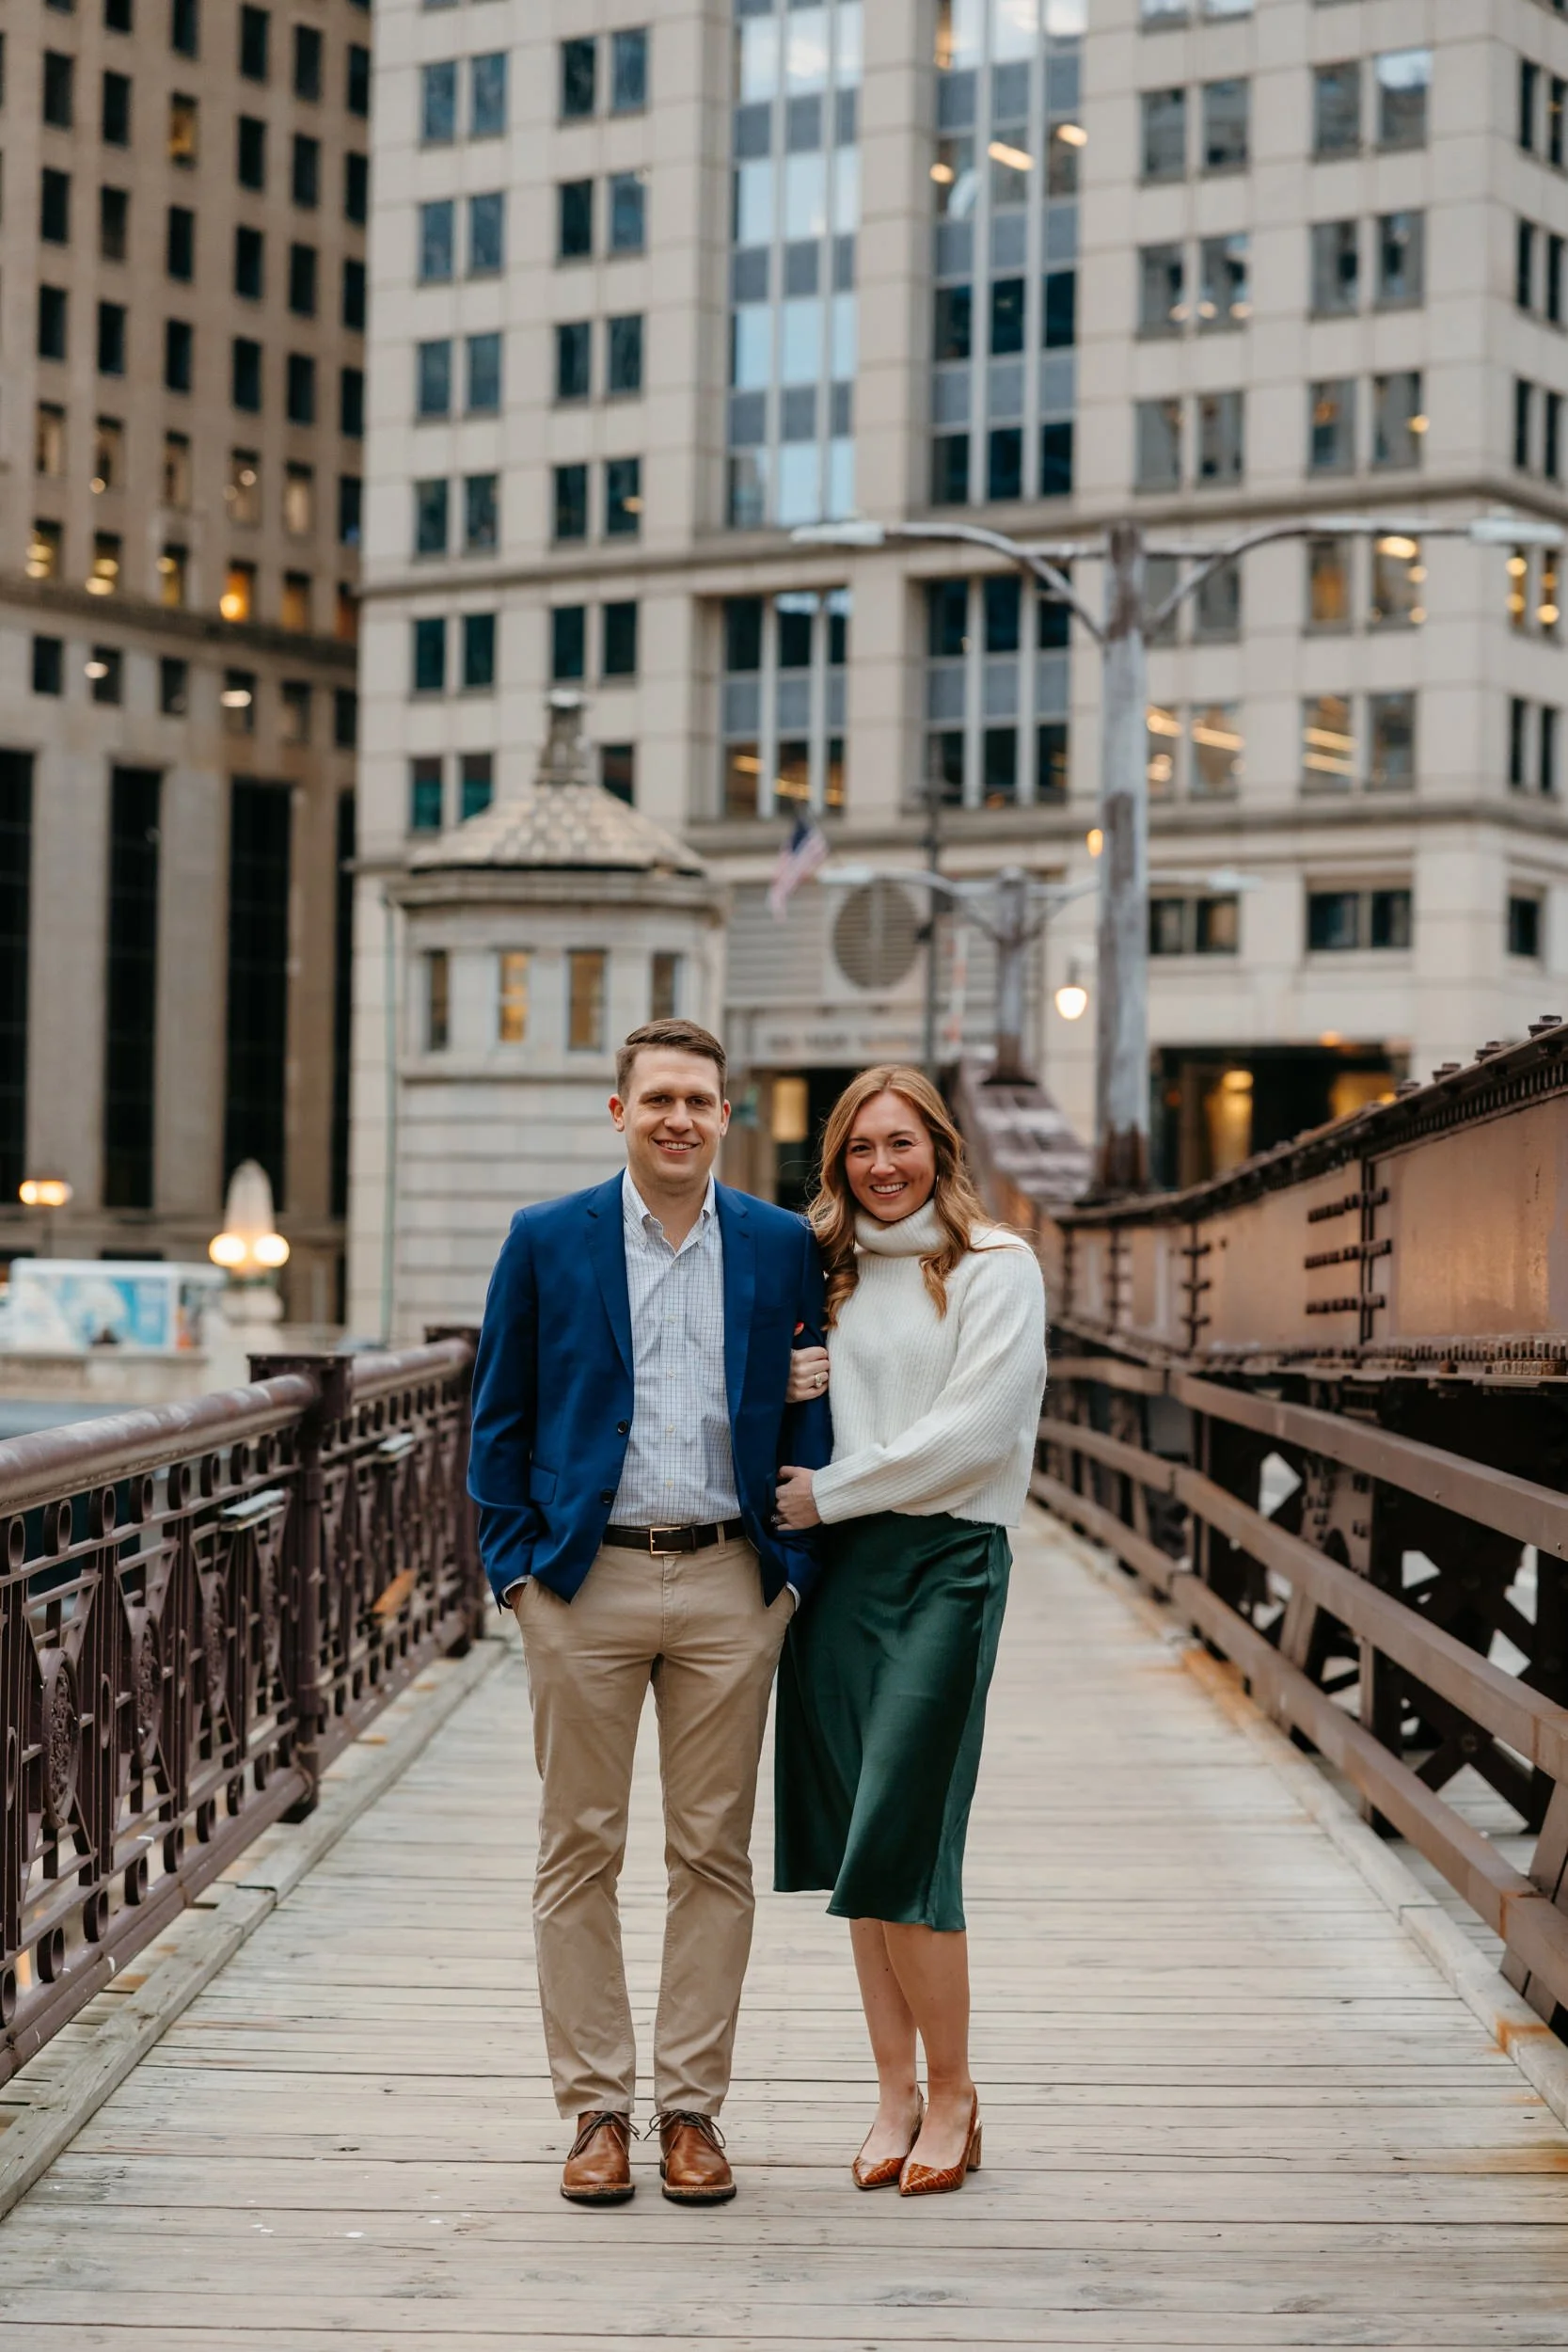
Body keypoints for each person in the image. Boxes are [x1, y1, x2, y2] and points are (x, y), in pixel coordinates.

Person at [467, 1018, 832, 2209]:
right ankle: (592, 2114)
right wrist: (516, 1573)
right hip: (584, 1581)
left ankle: (689, 2110)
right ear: (618, 1112)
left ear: (728, 1117)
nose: (680, 1118)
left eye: (701, 1100)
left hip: (733, 1580)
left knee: (710, 1853)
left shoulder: (781, 1247)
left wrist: (789, 1571)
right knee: (578, 1845)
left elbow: (814, 1403)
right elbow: (499, 1419)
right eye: (658, 1098)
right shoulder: (544, 1241)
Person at [771, 1065, 1046, 2199]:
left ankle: (956, 2090)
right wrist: (786, 1376)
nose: (881, 1167)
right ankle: (892, 2093)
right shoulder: (822, 1274)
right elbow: (778, 1405)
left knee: (906, 1834)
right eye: (858, 1151)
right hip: (839, 1583)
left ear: (940, 1146)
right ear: (836, 1163)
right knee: (858, 1850)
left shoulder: (996, 1267)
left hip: (944, 1565)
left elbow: (976, 1434)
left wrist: (830, 1492)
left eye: (902, 1143)